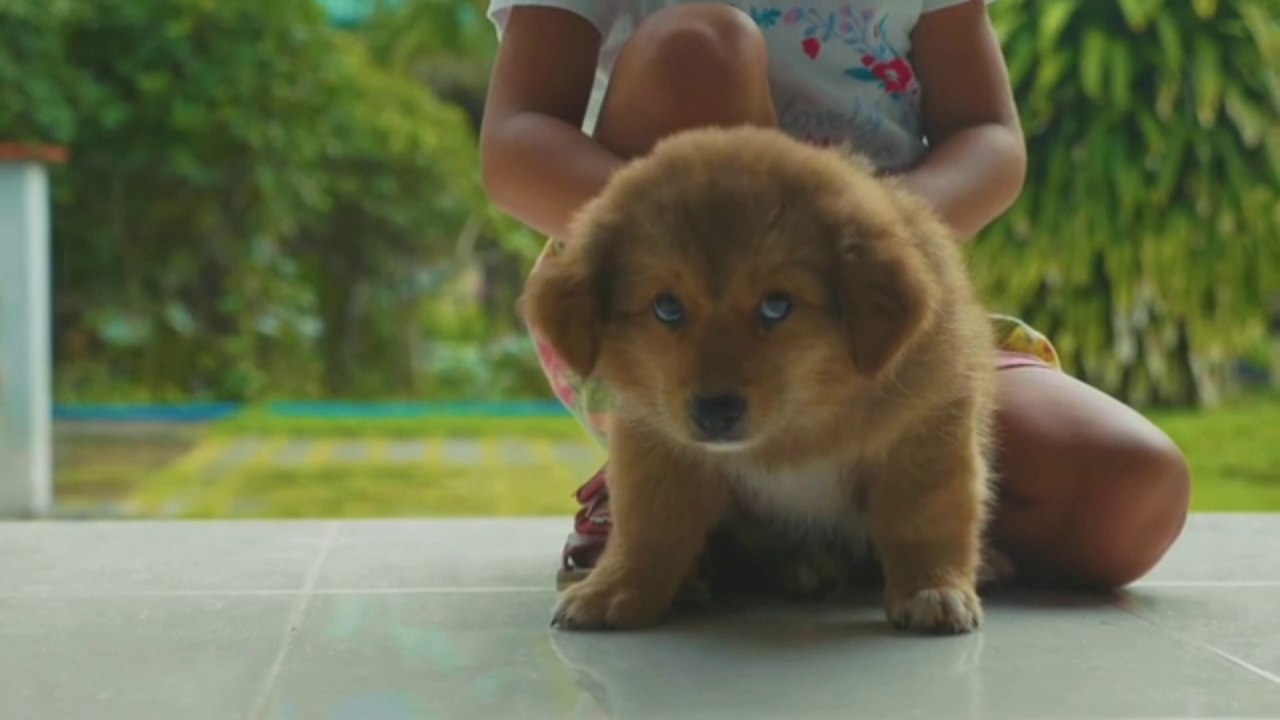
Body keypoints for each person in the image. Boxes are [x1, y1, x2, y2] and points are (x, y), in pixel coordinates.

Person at [479, 0, 1191, 591]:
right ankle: (666, 492)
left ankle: (816, 536)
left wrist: (878, 231)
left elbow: (990, 138)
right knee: (700, 45)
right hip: (672, 323)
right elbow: (515, 145)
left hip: (872, 312)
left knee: (1129, 495)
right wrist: (644, 231)